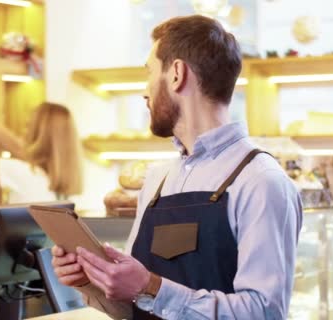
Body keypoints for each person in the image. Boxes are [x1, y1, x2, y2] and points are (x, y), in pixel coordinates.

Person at [51, 15, 303, 320]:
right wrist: (91, 282)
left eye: (149, 73)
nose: (144, 91)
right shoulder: (158, 179)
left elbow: (264, 312)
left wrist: (151, 287)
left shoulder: (261, 180)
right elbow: (133, 306)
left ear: (176, 74)